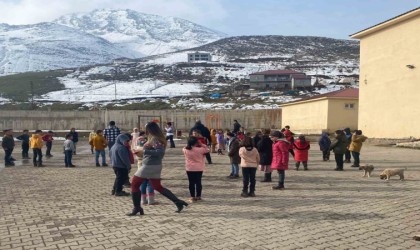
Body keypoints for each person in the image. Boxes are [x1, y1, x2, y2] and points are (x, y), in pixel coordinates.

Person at [127, 122, 188, 216]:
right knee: (157, 187)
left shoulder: (155, 139)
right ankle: (178, 202)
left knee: (134, 185)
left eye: (146, 128)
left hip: (149, 166)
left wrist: (144, 150)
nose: (145, 130)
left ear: (150, 129)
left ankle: (137, 208)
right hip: (154, 165)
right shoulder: (155, 138)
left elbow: (160, 152)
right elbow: (155, 152)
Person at [134, 135, 159, 205]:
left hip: (140, 169)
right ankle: (151, 200)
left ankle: (143, 200)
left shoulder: (137, 149)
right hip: (150, 168)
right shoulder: (149, 149)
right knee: (150, 184)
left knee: (143, 184)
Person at [183, 136, 209, 202]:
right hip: (199, 167)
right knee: (198, 182)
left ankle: (192, 196)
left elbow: (186, 147)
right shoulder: (200, 149)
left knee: (191, 183)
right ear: (196, 142)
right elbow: (207, 149)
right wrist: (201, 144)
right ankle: (198, 196)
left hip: (189, 168)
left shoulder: (185, 149)